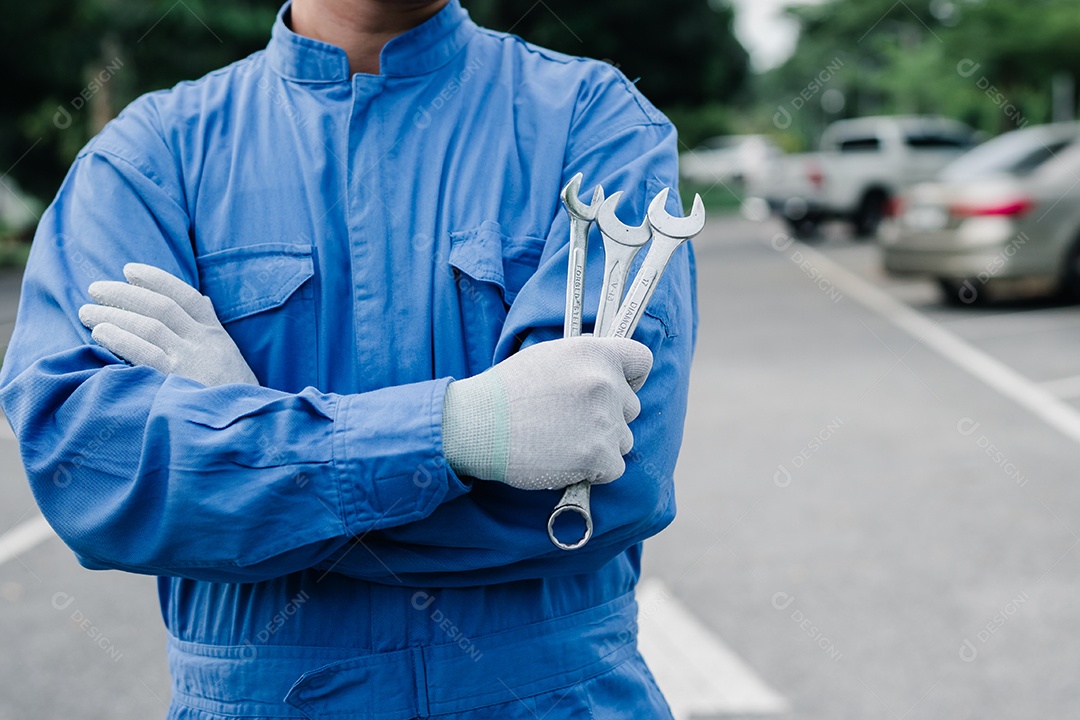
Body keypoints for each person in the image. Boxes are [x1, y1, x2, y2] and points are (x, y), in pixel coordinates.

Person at [0, 0, 697, 717]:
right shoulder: (146, 161)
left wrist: (243, 442)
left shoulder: (598, 122)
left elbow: (604, 484)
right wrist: (463, 432)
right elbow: (93, 472)